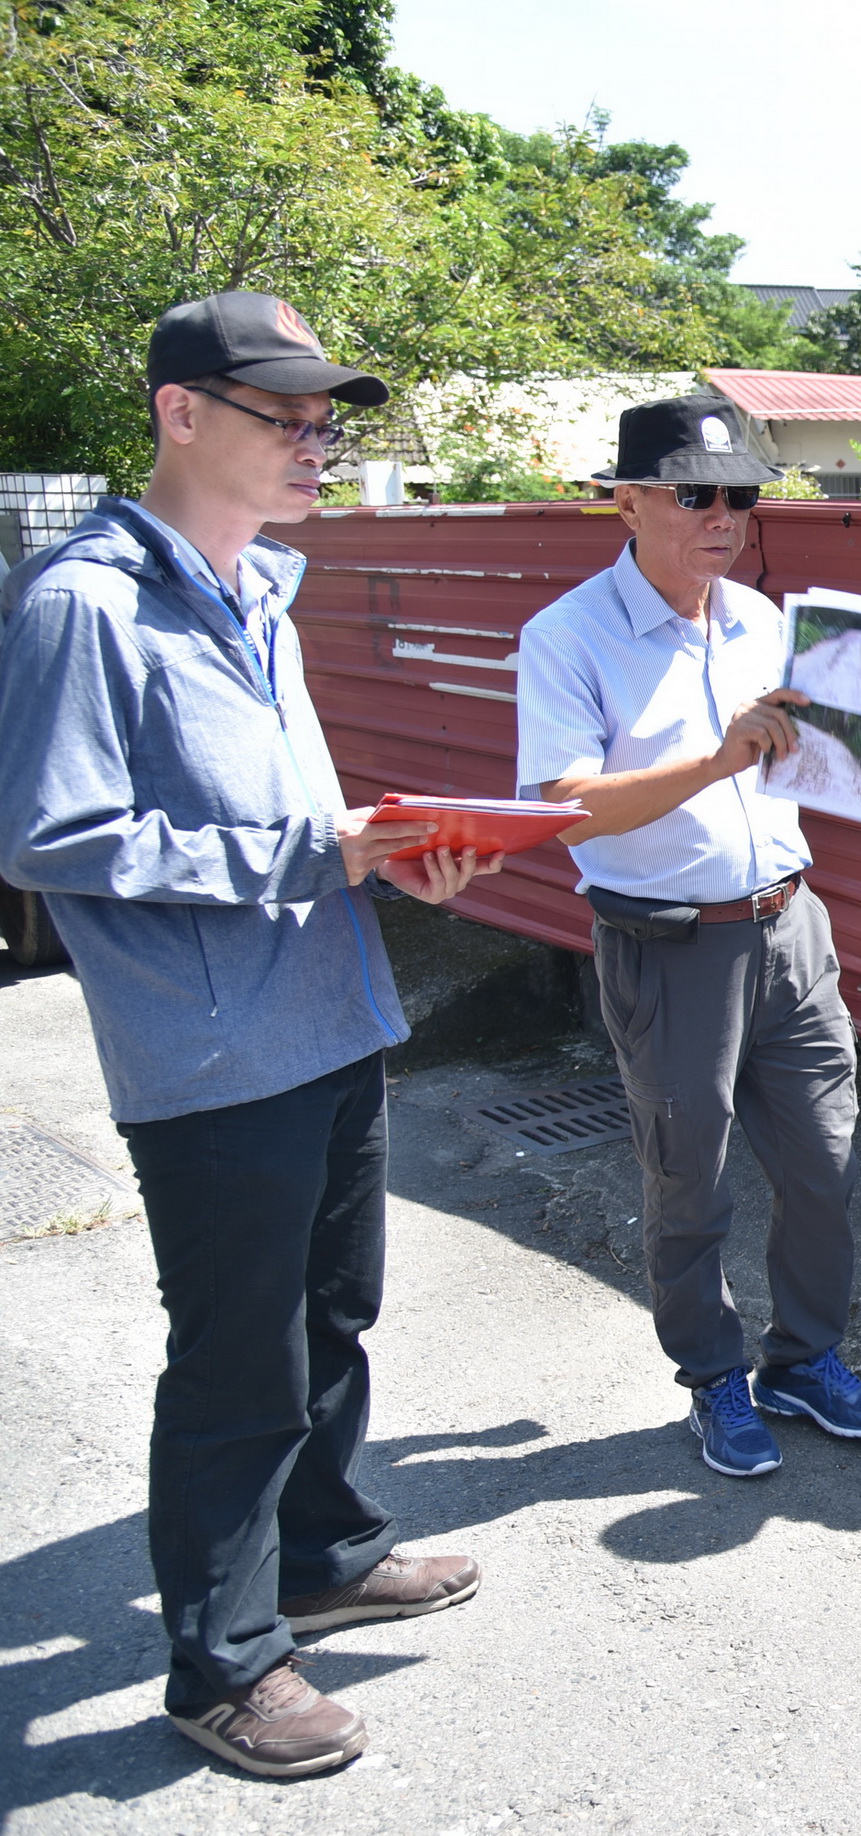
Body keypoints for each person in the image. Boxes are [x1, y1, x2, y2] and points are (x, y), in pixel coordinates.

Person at [0, 292, 499, 1778]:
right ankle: (219, 1664)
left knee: (335, 1314)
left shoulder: (260, 585)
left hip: (327, 1011)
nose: (318, 444)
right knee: (238, 1360)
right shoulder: (82, 605)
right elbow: (52, 835)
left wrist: (389, 852)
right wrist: (302, 855)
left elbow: (296, 825)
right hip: (212, 1055)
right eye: (289, 418)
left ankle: (321, 1550)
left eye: (326, 421)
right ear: (180, 415)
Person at [514, 395, 861, 1481]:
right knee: (692, 1179)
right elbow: (570, 807)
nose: (723, 515)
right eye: (695, 493)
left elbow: (819, 764)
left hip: (791, 926)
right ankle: (712, 1377)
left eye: (738, 494)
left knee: (825, 1164)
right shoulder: (567, 636)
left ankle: (805, 1359)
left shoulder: (767, 621)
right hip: (669, 945)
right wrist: (720, 759)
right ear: (626, 503)